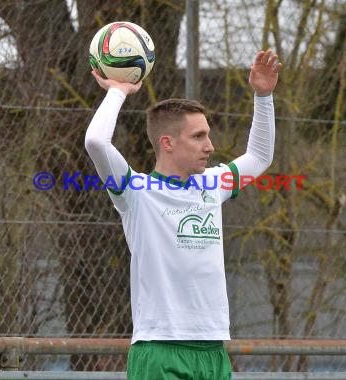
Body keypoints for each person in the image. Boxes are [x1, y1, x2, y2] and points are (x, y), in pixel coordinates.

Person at [85, 49, 281, 380]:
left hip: (213, 350)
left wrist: (263, 97)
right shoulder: (135, 191)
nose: (210, 146)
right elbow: (96, 142)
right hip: (160, 348)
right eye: (198, 136)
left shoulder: (212, 183)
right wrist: (118, 90)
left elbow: (260, 156)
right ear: (167, 143)